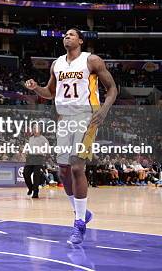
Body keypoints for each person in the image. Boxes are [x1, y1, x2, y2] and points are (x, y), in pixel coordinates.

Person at [24, 28, 117, 245]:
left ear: (81, 41)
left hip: (87, 116)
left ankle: (79, 224)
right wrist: (36, 87)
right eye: (65, 34)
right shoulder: (57, 64)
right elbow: (49, 92)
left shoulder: (91, 60)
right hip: (64, 119)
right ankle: (80, 212)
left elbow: (112, 88)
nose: (67, 36)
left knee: (77, 167)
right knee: (63, 171)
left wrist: (103, 110)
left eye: (72, 34)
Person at [23, 124, 50, 199]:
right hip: (30, 157)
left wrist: (43, 157)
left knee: (36, 176)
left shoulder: (43, 139)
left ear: (40, 130)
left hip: (39, 157)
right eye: (33, 128)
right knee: (25, 173)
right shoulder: (30, 138)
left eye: (36, 128)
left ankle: (35, 192)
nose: (34, 129)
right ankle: (30, 188)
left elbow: (47, 150)